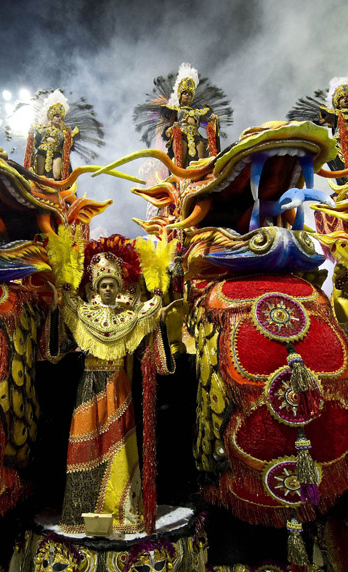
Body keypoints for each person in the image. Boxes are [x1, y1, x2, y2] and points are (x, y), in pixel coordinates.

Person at [46, 232, 176, 534]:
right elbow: (55, 351)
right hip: (88, 385)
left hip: (117, 386)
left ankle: (122, 515)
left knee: (120, 448)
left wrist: (160, 312)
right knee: (85, 447)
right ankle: (82, 515)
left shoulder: (129, 316)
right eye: (102, 285)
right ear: (94, 288)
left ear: (119, 288)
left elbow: (156, 339)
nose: (107, 290)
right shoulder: (83, 313)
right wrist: (56, 308)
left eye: (112, 285)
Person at [162, 63, 218, 168]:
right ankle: (182, 177)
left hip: (196, 136)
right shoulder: (175, 110)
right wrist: (173, 128)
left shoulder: (198, 111)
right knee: (181, 161)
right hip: (182, 135)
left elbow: (207, 119)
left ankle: (201, 175)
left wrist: (213, 119)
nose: (187, 95)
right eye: (185, 93)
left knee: (202, 159)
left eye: (189, 94)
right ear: (180, 96)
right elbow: (167, 130)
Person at [28, 90, 78, 181]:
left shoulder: (63, 133)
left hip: (56, 153)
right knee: (39, 176)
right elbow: (35, 143)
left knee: (57, 175)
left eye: (61, 117)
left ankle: (57, 189)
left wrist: (70, 137)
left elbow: (67, 147)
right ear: (51, 117)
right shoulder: (42, 129)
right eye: (57, 116)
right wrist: (31, 135)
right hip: (41, 152)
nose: (59, 119)